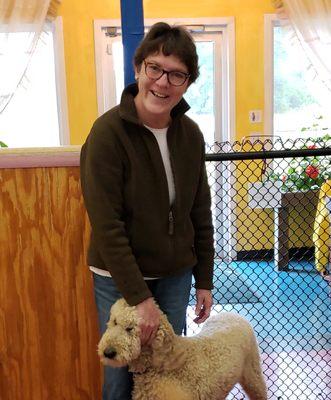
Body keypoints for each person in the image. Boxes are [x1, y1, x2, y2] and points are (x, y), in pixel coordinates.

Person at [80, 22, 215, 400]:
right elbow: (107, 226)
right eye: (155, 68)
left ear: (187, 82)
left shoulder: (191, 134)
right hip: (118, 275)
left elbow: (199, 212)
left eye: (177, 74)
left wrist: (204, 278)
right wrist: (141, 301)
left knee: (168, 375)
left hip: (175, 274)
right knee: (121, 378)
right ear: (139, 67)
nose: (163, 82)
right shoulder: (108, 133)